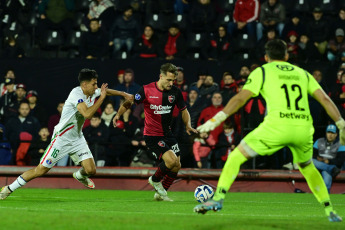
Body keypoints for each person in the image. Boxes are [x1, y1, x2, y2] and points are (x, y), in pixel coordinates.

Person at [193, 39, 343, 222]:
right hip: (303, 129)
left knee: (236, 156)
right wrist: (341, 123)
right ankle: (329, 210)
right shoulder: (303, 73)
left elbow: (241, 98)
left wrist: (217, 119)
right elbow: (325, 100)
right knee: (308, 167)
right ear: (286, 56)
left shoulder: (262, 71)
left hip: (277, 127)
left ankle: (218, 199)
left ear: (266, 57)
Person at [0, 68, 133, 200]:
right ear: (84, 84)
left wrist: (123, 94)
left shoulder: (92, 91)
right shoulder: (76, 95)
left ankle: (80, 176)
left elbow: (105, 91)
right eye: (94, 84)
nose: (96, 87)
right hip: (61, 139)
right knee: (40, 170)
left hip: (77, 138)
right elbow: (87, 115)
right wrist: (102, 98)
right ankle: (8, 189)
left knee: (91, 170)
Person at [114, 63, 197, 201]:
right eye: (169, 80)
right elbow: (130, 102)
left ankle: (160, 193)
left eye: (173, 80)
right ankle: (154, 179)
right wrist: (118, 114)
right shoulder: (146, 90)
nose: (171, 83)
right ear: (161, 76)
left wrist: (188, 125)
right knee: (170, 162)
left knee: (177, 165)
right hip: (152, 135)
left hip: (168, 134)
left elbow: (184, 110)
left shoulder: (175, 92)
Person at [313, 124, 345, 193]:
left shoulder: (341, 143)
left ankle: (325, 197)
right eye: (328, 132)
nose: (330, 135)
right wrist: (319, 159)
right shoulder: (319, 141)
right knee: (311, 161)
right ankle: (330, 169)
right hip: (320, 165)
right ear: (326, 133)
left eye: (332, 133)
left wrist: (329, 161)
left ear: (336, 134)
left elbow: (341, 160)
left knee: (326, 174)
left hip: (331, 165)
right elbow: (312, 155)